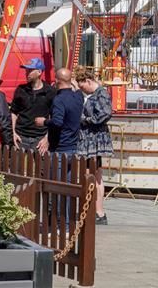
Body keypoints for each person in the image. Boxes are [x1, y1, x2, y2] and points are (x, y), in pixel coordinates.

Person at [75, 66, 113, 225]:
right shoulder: (95, 94)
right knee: (95, 174)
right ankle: (97, 211)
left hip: (94, 139)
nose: (82, 89)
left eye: (82, 86)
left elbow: (105, 113)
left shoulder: (101, 93)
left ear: (88, 81)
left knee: (94, 174)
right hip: (91, 138)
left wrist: (86, 120)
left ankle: (97, 211)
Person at [11, 57, 55, 154]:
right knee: (17, 167)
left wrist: (47, 138)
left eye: (30, 70)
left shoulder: (50, 91)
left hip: (40, 138)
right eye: (26, 70)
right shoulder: (21, 90)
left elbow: (54, 116)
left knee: (42, 168)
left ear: (39, 72)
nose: (26, 73)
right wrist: (13, 133)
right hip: (21, 136)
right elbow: (13, 112)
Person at [35, 68, 83, 156]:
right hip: (73, 147)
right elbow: (79, 90)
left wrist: (44, 121)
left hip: (60, 147)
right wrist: (75, 84)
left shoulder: (59, 99)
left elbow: (57, 122)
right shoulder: (78, 97)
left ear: (57, 80)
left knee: (57, 170)